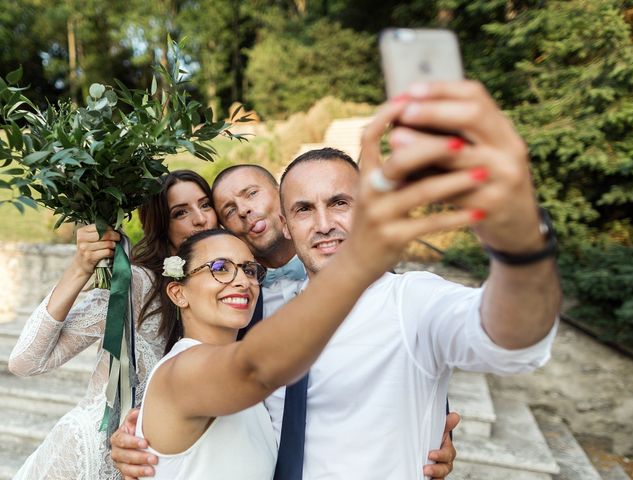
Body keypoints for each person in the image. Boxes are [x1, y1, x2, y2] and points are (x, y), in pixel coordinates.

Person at [111, 79, 561, 479]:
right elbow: (235, 377)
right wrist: (146, 434)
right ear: (286, 223)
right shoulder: (253, 315)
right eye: (305, 209)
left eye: (340, 203)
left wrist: (520, 244)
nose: (323, 223)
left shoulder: (413, 301)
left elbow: (510, 335)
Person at [8, 169, 219, 479]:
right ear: (161, 225)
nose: (200, 219)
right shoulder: (137, 284)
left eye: (205, 204)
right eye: (180, 212)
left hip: (159, 465)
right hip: (87, 459)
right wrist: (80, 268)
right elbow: (26, 361)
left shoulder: (232, 287)